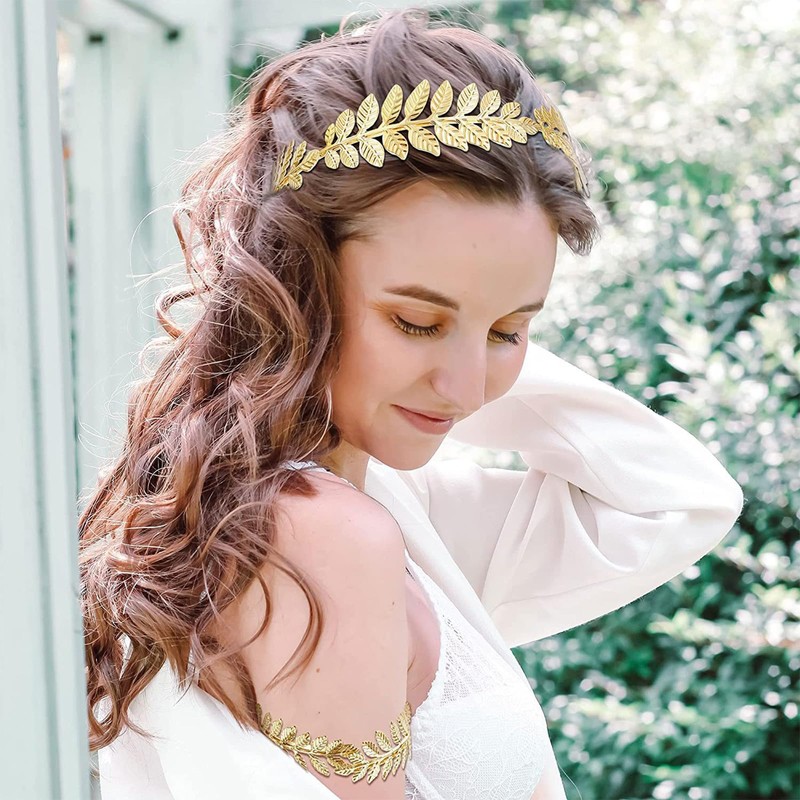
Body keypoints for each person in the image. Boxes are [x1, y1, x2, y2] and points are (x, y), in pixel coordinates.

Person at [79, 8, 744, 800]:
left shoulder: (379, 502)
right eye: (417, 321)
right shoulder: (328, 535)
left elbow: (679, 500)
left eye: (510, 331)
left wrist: (444, 333)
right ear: (296, 281)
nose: (466, 390)